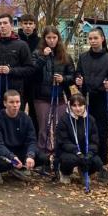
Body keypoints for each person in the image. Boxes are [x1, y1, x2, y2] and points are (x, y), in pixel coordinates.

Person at [75, 27, 108, 181]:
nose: (93, 41)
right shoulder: (83, 57)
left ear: (102, 39)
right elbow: (78, 74)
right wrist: (78, 80)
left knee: (101, 131)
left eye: (95, 38)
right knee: (84, 129)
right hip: (86, 98)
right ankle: (84, 162)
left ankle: (102, 163)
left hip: (102, 98)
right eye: (90, 38)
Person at [32, 26, 74, 170]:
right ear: (44, 39)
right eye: (48, 38)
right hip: (41, 96)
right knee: (44, 128)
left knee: (59, 128)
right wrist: (43, 57)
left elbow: (72, 75)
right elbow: (32, 71)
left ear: (58, 39)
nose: (51, 41)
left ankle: (58, 157)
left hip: (59, 96)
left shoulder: (65, 56)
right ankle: (43, 158)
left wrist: (64, 79)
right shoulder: (37, 53)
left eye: (54, 38)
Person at [0, 14, 35, 114]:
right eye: (0, 23)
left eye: (5, 23)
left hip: (15, 92)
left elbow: (29, 68)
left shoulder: (22, 45)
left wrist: (11, 71)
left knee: (15, 120)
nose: (2, 26)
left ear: (11, 25)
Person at [0, 90, 38, 183]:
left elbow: (31, 140)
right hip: (3, 152)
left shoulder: (26, 118)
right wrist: (11, 157)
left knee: (41, 157)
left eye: (17, 102)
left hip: (19, 150)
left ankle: (17, 167)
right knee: (1, 164)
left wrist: (30, 155)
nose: (15, 105)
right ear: (5, 103)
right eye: (11, 102)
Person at [54, 94, 101, 184]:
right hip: (69, 152)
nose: (78, 108)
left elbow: (94, 141)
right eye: (74, 106)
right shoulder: (64, 120)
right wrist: (76, 151)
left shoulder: (90, 120)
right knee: (70, 160)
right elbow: (64, 141)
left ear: (85, 105)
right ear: (70, 106)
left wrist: (90, 153)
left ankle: (84, 171)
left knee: (97, 162)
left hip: (85, 152)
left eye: (80, 105)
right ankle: (65, 172)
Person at [18, 14, 40, 132]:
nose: (28, 26)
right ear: (21, 25)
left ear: (34, 25)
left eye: (30, 24)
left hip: (35, 82)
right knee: (18, 111)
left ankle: (34, 138)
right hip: (19, 81)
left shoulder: (40, 42)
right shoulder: (16, 39)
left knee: (34, 114)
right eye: (25, 23)